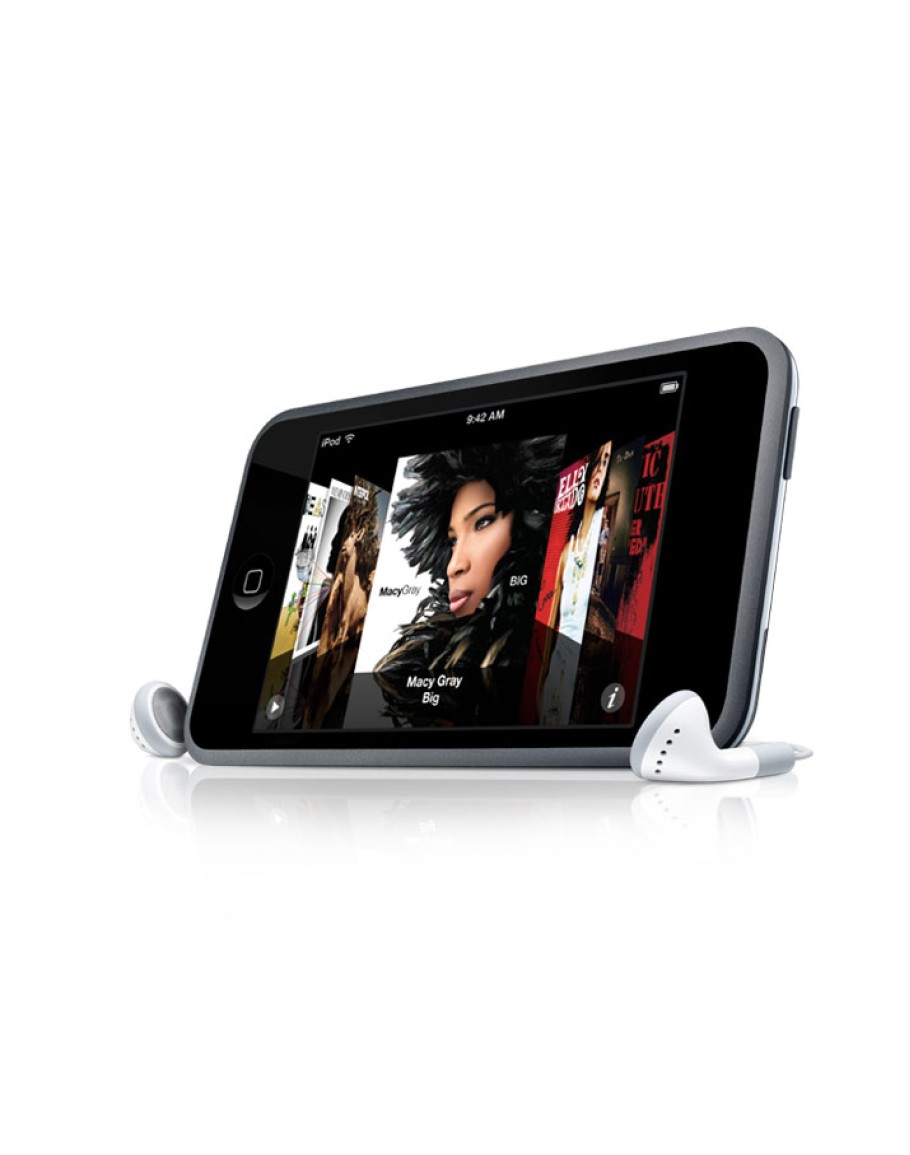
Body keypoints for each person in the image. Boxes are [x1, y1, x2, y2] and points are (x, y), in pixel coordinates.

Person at [373, 436, 565, 726]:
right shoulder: (429, 672)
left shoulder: (555, 652)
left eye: (482, 522)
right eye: (452, 540)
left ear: (527, 527)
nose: (454, 565)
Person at [537, 441, 612, 725]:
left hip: (585, 670)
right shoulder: (567, 550)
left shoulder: (602, 533)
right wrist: (542, 682)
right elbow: (550, 629)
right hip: (559, 664)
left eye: (606, 461)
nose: (600, 469)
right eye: (598, 460)